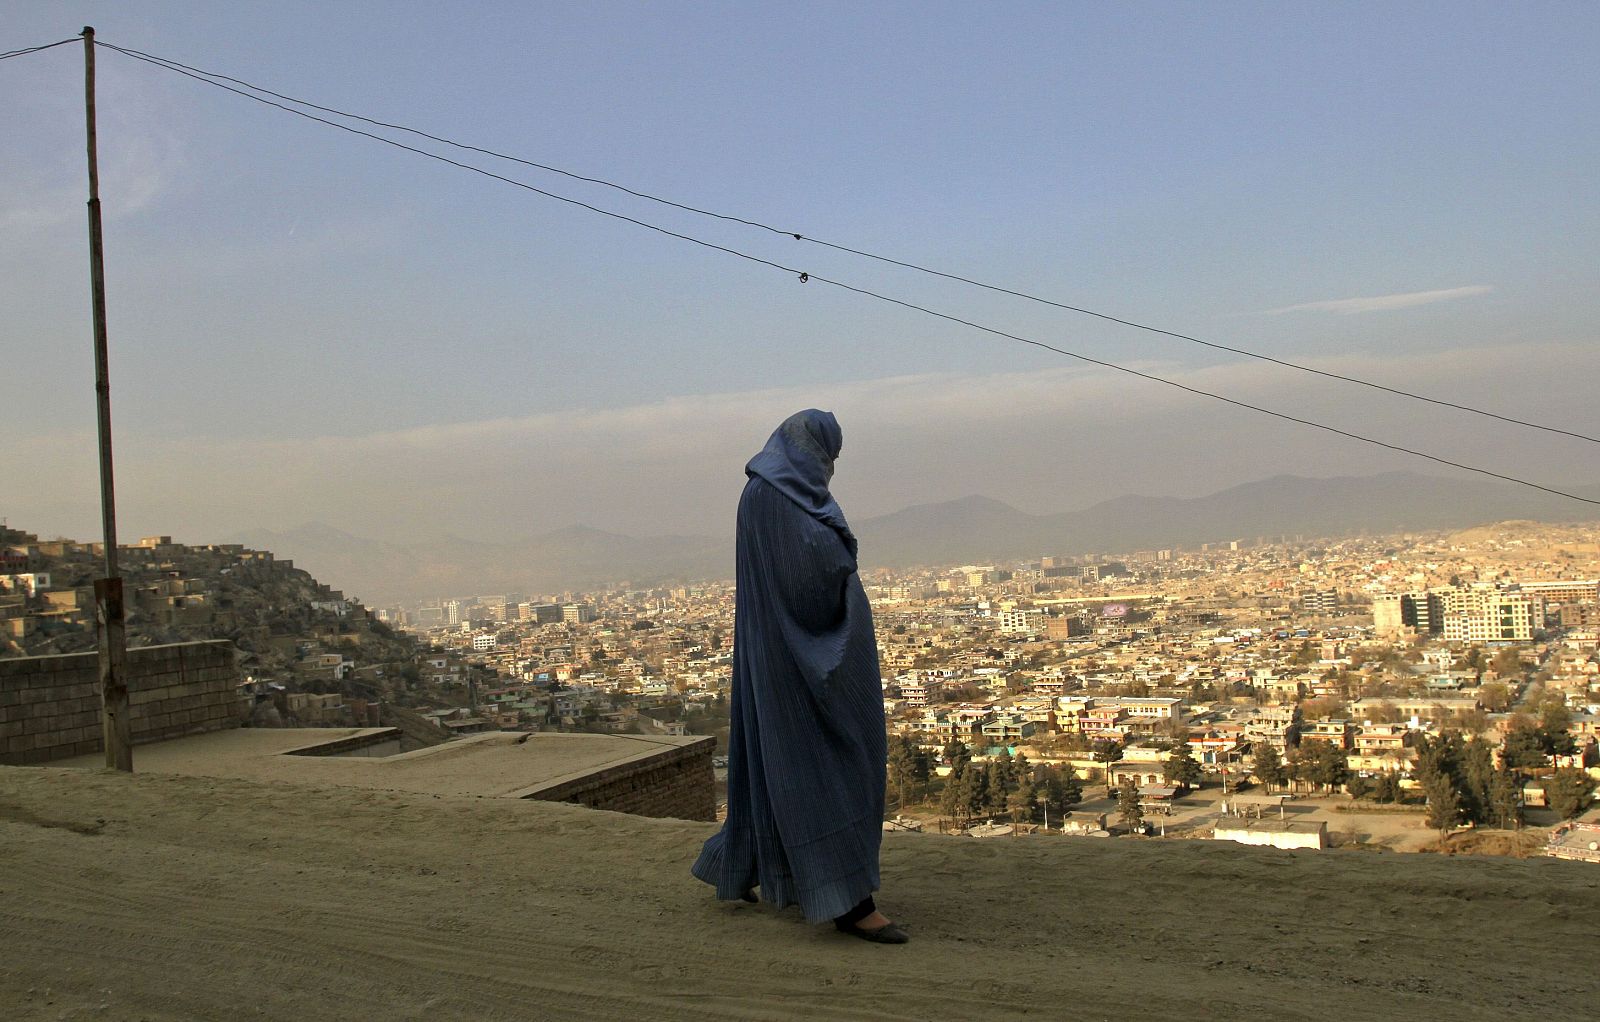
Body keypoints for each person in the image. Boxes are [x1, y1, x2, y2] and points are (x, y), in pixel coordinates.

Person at [691, 409, 906, 944]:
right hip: (795, 660)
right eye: (823, 455)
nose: (827, 467)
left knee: (778, 765)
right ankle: (850, 902)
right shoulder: (770, 498)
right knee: (829, 766)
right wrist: (840, 566)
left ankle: (741, 865)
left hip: (787, 653)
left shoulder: (787, 494)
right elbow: (804, 575)